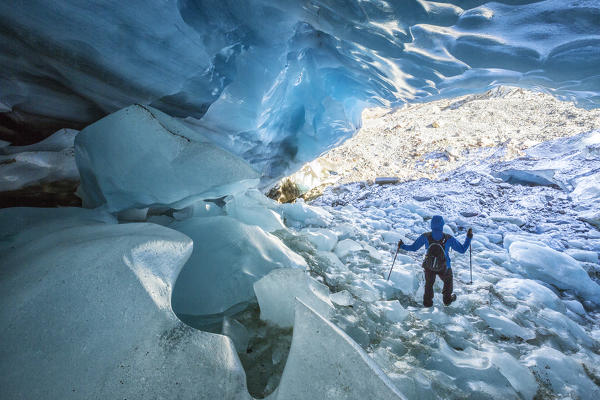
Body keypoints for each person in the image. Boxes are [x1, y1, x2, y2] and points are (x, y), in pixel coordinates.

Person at [397, 215, 472, 307]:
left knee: (429, 285)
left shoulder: (425, 236)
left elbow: (413, 248)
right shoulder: (448, 238)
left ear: (431, 224)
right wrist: (468, 238)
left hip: (429, 266)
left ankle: (427, 304)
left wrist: (402, 245)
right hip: (444, 267)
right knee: (448, 282)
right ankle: (447, 300)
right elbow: (462, 249)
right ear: (442, 225)